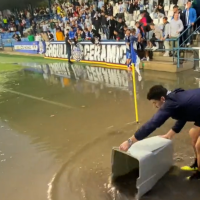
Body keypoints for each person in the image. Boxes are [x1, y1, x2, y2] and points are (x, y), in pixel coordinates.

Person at [120, 85, 200, 180]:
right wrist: (169, 134)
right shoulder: (174, 97)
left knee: (199, 146)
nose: (155, 106)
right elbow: (184, 114)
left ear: (162, 99)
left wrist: (130, 141)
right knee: (193, 134)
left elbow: (153, 123)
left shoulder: (170, 103)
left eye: (155, 103)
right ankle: (197, 164)